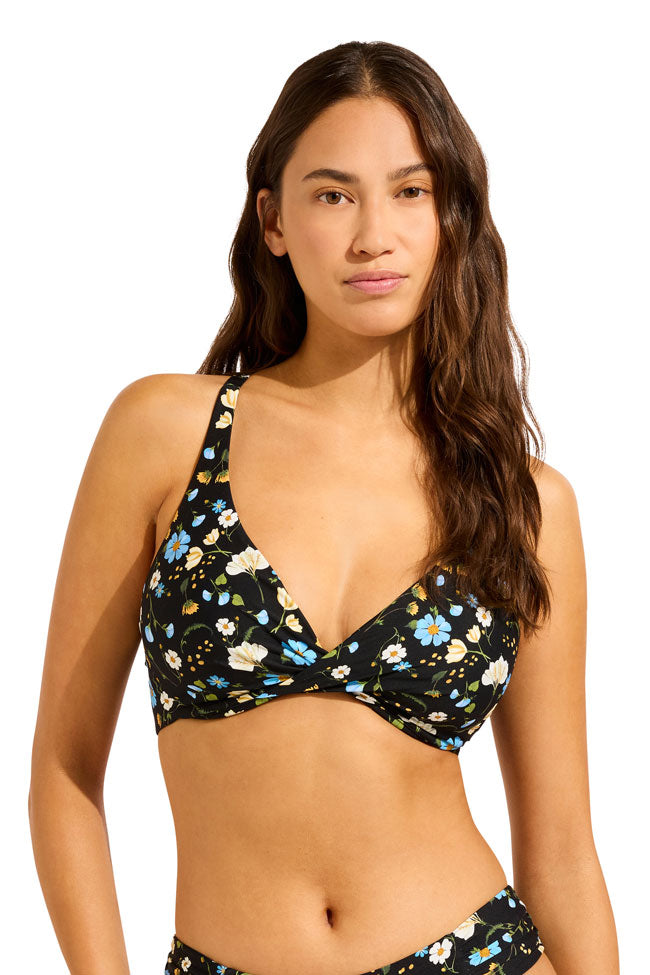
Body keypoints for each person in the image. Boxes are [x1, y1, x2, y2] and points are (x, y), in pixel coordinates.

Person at [28, 40, 618, 975]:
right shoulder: (165, 434)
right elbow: (63, 774)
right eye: (334, 195)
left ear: (451, 218)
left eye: (411, 192)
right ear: (273, 219)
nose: (373, 235)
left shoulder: (525, 503)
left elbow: (562, 851)